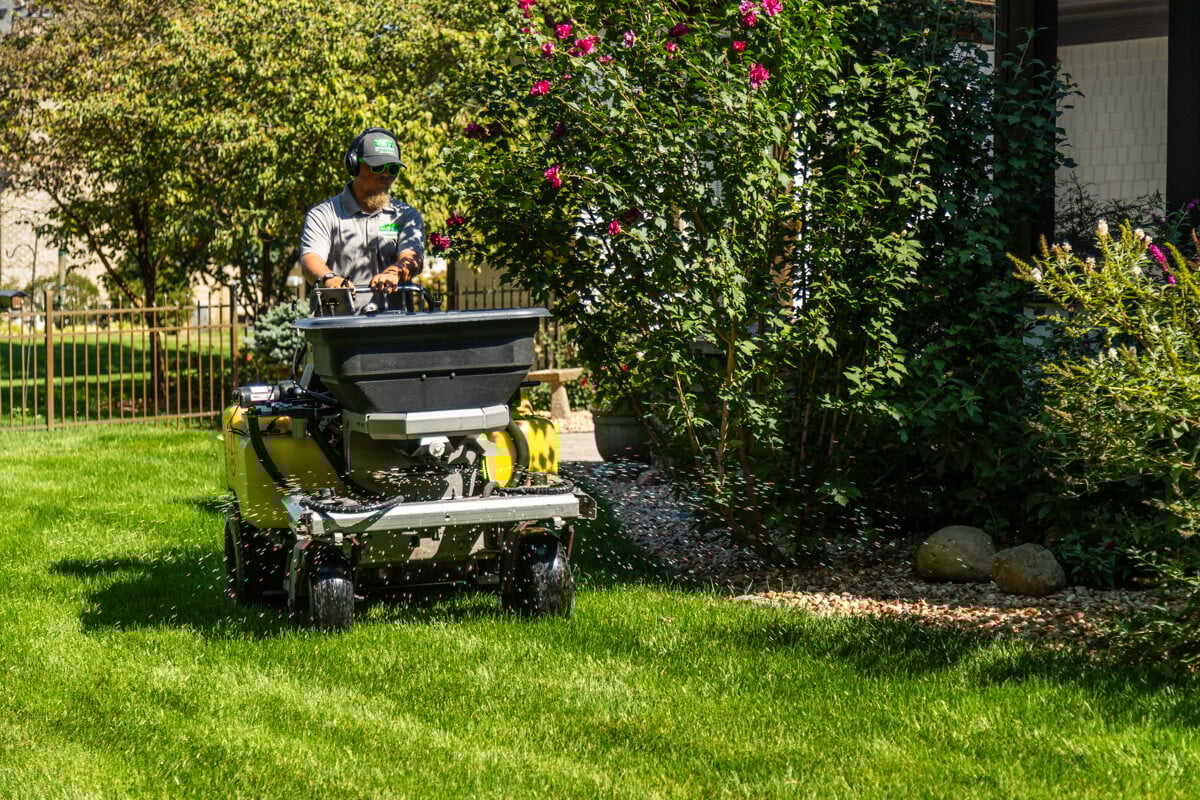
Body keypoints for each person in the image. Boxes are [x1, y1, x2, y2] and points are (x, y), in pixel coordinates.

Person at [300, 127, 425, 296]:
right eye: (378, 167)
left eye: (393, 168)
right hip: (339, 318)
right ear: (354, 166)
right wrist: (330, 278)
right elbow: (311, 259)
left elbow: (412, 258)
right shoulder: (324, 215)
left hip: (394, 319)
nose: (386, 174)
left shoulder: (406, 216)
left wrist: (393, 273)